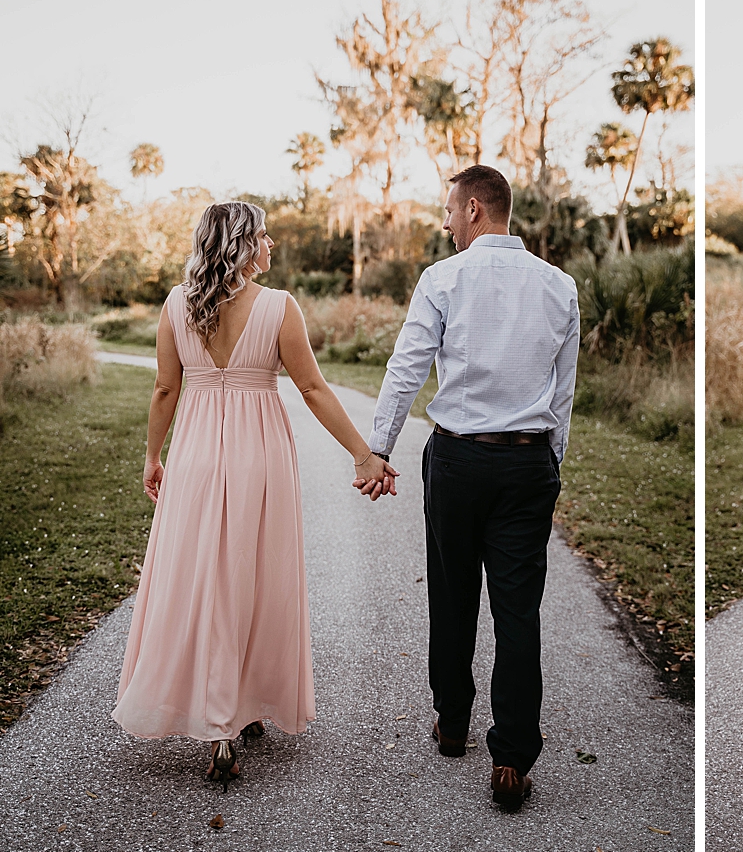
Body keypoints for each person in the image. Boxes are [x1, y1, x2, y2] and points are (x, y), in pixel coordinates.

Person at [112, 201, 396, 788]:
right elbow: (312, 388)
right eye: (264, 235)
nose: (271, 245)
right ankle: (232, 714)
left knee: (203, 575)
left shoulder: (177, 304)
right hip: (259, 454)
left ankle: (225, 714)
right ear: (243, 245)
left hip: (195, 453)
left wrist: (153, 456)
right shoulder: (278, 306)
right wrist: (362, 454)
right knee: (253, 571)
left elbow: (165, 388)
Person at [363, 164, 579, 813]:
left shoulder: (443, 279)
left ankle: (453, 723)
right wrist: (550, 463)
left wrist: (379, 448)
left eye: (450, 210)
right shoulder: (559, 285)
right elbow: (562, 392)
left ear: (476, 209)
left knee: (453, 595)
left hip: (457, 460)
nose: (446, 222)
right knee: (518, 611)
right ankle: (511, 757)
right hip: (527, 463)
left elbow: (407, 367)